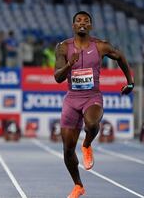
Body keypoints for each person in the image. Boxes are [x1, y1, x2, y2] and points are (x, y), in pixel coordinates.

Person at [54, 11, 134, 198]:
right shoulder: (63, 48)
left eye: (86, 21)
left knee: (91, 124)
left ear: (90, 26)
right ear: (73, 26)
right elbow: (58, 77)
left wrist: (130, 82)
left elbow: (120, 56)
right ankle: (78, 185)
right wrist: (68, 65)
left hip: (92, 97)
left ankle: (87, 144)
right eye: (78, 21)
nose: (82, 23)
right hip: (72, 99)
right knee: (67, 150)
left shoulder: (100, 46)